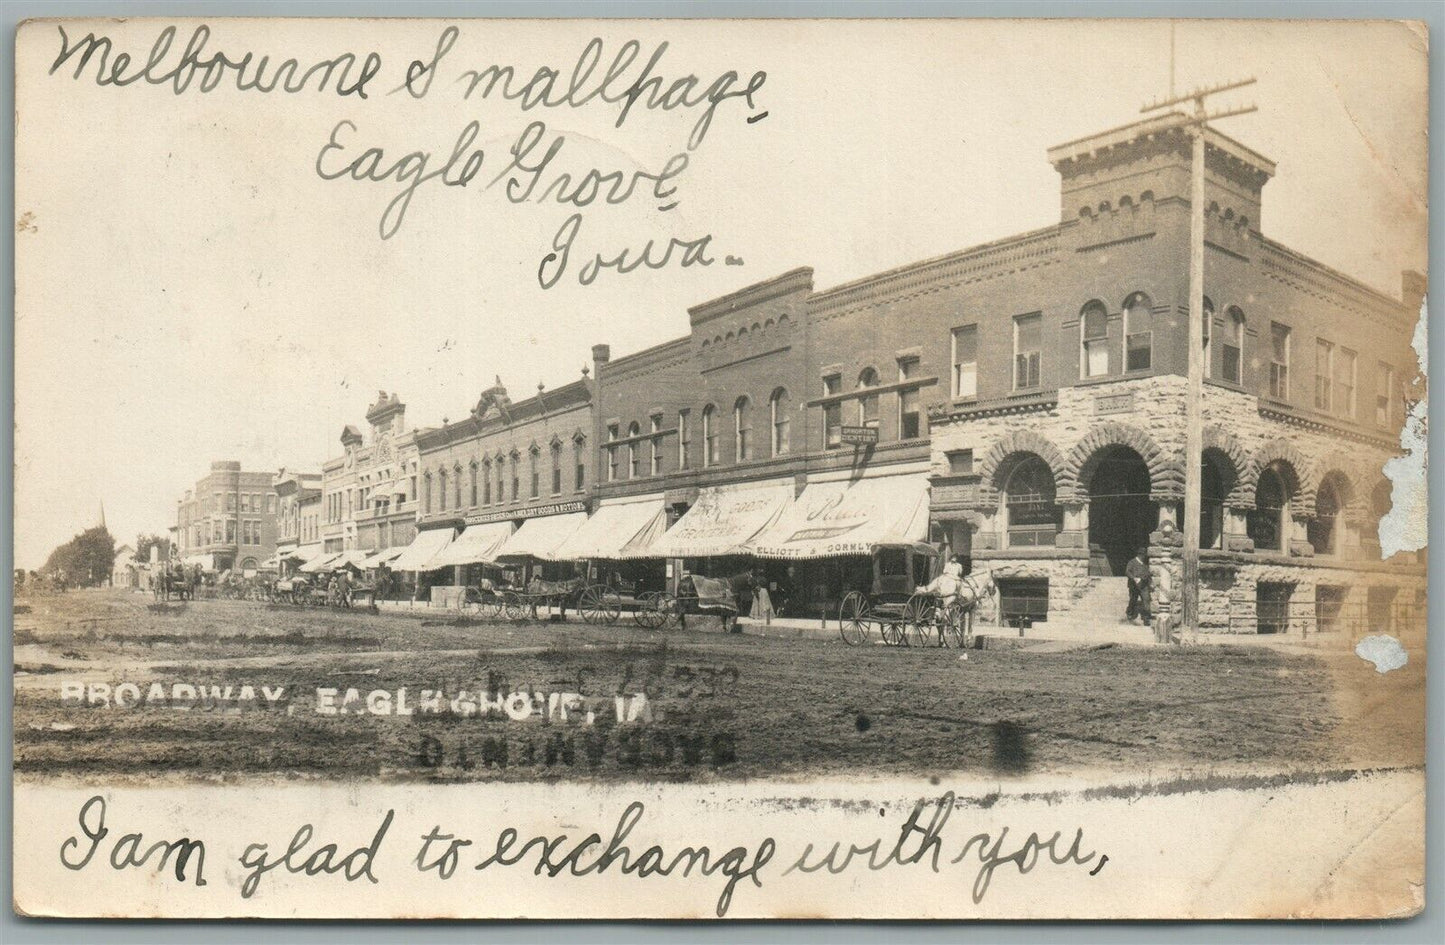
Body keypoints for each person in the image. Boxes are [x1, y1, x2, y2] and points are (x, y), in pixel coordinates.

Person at [1125, 547, 1152, 624]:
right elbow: (1127, 572)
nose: (1144, 557)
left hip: (1143, 585)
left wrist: (1147, 580)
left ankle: (1146, 618)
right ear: (1140, 555)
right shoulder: (1132, 562)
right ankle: (1129, 612)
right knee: (1133, 600)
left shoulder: (1145, 564)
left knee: (1146, 600)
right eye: (1143, 555)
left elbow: (1148, 573)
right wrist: (1134, 578)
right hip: (1134, 585)